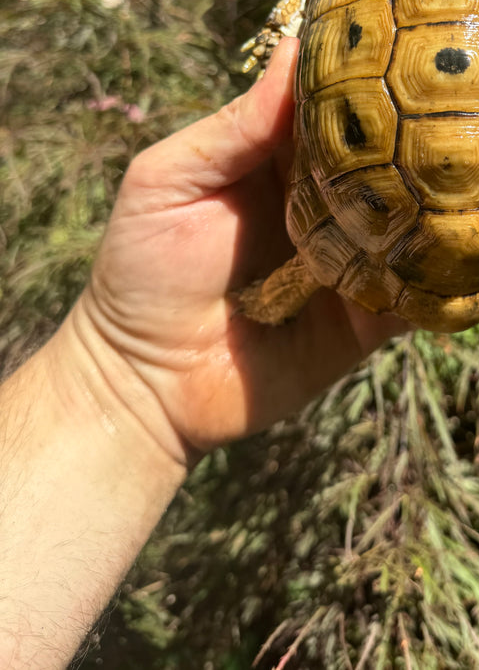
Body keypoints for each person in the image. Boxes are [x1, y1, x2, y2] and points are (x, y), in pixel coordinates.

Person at [0, 38, 405, 670]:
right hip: (373, 222)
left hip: (347, 218)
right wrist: (123, 370)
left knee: (310, 270)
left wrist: (118, 375)